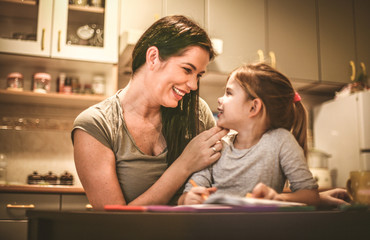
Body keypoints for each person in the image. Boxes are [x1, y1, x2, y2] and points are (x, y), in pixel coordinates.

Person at [72, 15, 228, 209]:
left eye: (199, 75)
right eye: (187, 70)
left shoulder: (198, 113)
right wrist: (185, 164)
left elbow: (223, 182)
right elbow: (114, 223)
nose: (193, 85)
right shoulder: (95, 125)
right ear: (153, 57)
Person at [179, 63, 321, 206]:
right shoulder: (217, 146)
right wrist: (188, 198)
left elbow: (310, 195)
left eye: (229, 93)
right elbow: (188, 193)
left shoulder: (280, 141)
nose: (220, 99)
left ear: (253, 107)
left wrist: (277, 198)